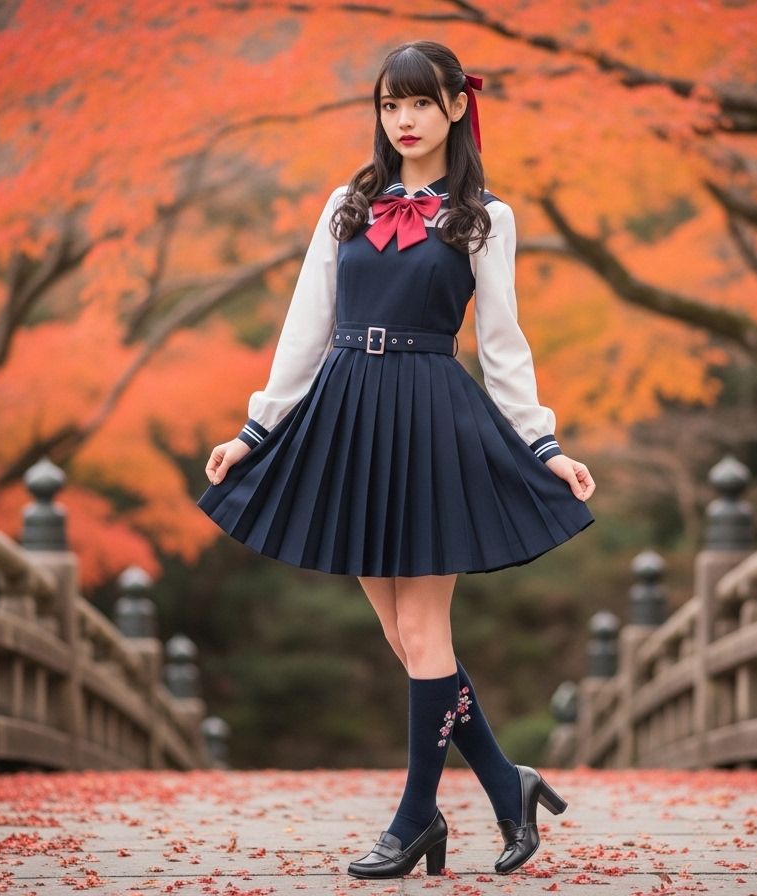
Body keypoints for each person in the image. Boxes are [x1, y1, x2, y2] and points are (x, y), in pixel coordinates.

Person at [197, 40, 595, 879]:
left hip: (427, 419)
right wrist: (254, 431)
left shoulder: (487, 215)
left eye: (419, 102)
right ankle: (504, 778)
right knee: (400, 633)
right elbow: (306, 325)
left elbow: (502, 345)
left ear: (456, 106)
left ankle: (415, 817)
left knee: (424, 629)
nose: (403, 119)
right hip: (347, 414)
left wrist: (544, 445)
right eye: (389, 105)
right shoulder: (347, 202)